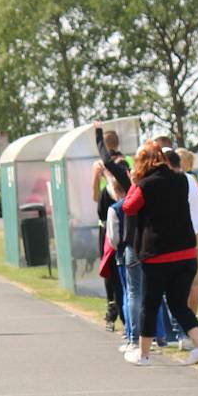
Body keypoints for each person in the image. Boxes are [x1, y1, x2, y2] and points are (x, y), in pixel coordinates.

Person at [122, 141, 198, 366]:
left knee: (149, 305)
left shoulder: (145, 185)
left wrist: (134, 183)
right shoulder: (181, 179)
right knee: (179, 304)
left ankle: (143, 355)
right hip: (186, 253)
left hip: (158, 255)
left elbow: (128, 208)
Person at [166, 149, 198, 350]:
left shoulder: (174, 182)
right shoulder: (192, 179)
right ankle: (194, 329)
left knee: (182, 284)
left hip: (189, 234)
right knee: (196, 283)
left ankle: (186, 331)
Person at [92, 126, 127, 331]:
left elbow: (95, 196)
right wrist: (98, 177)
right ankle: (113, 307)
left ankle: (115, 308)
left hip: (110, 223)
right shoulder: (99, 165)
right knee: (112, 268)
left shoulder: (123, 162)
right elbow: (97, 197)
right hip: (108, 220)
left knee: (112, 269)